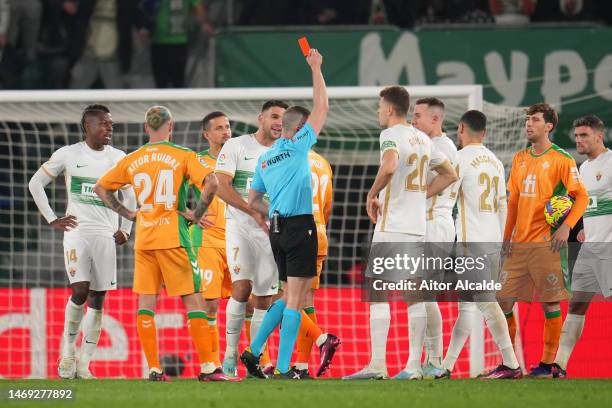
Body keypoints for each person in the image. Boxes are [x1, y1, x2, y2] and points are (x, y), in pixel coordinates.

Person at [93, 105, 218, 381]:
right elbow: (212, 183)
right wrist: (196, 215)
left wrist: (128, 214)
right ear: (170, 127)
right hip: (173, 238)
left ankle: (153, 368)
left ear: (146, 128)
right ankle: (209, 367)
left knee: (146, 303)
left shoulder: (133, 159)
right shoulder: (183, 155)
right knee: (194, 299)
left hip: (145, 239)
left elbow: (101, 188)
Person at [344, 86, 458, 380]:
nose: (379, 112)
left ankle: (378, 365)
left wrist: (372, 194)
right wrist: (420, 197)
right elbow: (449, 174)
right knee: (414, 294)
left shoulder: (390, 135)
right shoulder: (422, 138)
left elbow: (390, 164)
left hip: (392, 225)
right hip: (417, 227)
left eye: (380, 107)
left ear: (391, 109)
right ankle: (412, 366)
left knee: (378, 291)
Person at [240, 48, 339, 380]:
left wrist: (274, 214)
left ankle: (253, 352)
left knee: (286, 295)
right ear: (300, 128)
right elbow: (323, 105)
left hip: (277, 231)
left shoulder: (265, 159)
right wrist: (316, 68)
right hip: (299, 227)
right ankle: (283, 368)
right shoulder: (300, 146)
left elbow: (253, 200)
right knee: (295, 301)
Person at [28, 104, 136, 379]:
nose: (109, 129)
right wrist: (52, 218)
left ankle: (85, 363)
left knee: (98, 298)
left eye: (110, 124)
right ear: (87, 127)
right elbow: (35, 183)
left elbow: (131, 195)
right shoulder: (68, 154)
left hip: (106, 234)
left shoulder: (118, 158)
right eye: (103, 124)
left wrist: (126, 228)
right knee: (80, 290)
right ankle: (67, 353)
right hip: (76, 231)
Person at [497, 103, 589, 377]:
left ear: (548, 126)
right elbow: (512, 201)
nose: (528, 124)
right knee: (502, 301)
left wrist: (566, 228)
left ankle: (549, 364)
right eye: (527, 119)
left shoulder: (562, 159)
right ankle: (510, 363)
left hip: (547, 243)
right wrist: (506, 237)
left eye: (534, 120)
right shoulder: (520, 158)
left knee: (550, 302)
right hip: (519, 244)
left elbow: (581, 196)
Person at [441, 110, 521, 379]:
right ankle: (447, 365)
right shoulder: (496, 162)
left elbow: (447, 197)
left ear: (461, 128)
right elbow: (502, 205)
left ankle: (511, 363)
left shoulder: (459, 159)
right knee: (466, 305)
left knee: (486, 303)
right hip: (492, 240)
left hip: (470, 241)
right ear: (484, 132)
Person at [214, 100, 287, 377]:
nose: (279, 122)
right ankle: (230, 355)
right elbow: (221, 185)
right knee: (242, 288)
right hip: (240, 227)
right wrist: (253, 212)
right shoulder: (237, 146)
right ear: (261, 118)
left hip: (272, 232)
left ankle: (254, 358)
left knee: (265, 299)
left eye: (283, 118)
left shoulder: (286, 153)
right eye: (274, 116)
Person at [552, 115, 612, 378]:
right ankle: (560, 364)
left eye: (584, 135)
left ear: (599, 136)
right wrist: (586, 229)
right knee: (577, 303)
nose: (578, 140)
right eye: (576, 136)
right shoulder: (583, 169)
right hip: (591, 248)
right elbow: (595, 206)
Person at [411, 97, 459, 378]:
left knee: (423, 292)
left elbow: (447, 179)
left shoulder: (442, 147)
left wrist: (414, 197)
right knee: (424, 294)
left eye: (418, 116)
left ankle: (435, 360)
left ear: (436, 119)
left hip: (435, 223)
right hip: (427, 223)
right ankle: (433, 359)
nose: (413, 121)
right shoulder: (431, 145)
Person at [189, 111, 233, 381]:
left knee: (252, 301)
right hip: (206, 240)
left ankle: (259, 362)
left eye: (228, 127)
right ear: (207, 135)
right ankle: (212, 366)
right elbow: (174, 191)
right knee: (210, 303)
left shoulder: (239, 158)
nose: (226, 132)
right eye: (219, 128)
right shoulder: (196, 162)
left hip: (239, 238)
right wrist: (191, 211)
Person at [293, 148, 339, 378]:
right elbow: (326, 207)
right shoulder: (322, 162)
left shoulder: (290, 157)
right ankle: (301, 366)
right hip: (318, 233)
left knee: (282, 298)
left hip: (296, 233)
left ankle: (323, 339)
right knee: (306, 300)